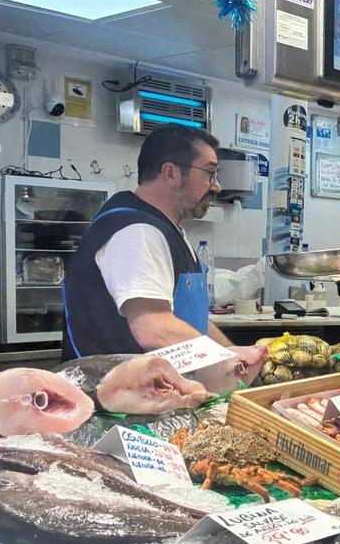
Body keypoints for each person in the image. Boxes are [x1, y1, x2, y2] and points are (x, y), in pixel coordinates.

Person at [62, 124, 266, 374]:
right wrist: (228, 358)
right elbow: (154, 328)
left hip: (162, 395)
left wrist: (238, 363)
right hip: (119, 404)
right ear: (170, 173)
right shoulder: (136, 232)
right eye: (209, 173)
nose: (216, 186)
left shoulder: (168, 230)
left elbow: (192, 322)